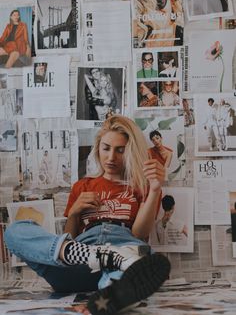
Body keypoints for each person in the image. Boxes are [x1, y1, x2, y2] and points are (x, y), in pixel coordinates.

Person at [4, 115, 170, 315]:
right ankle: (101, 257)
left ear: (130, 152)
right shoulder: (83, 185)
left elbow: (140, 233)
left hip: (123, 247)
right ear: (98, 148)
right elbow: (70, 239)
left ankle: (110, 297)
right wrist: (74, 213)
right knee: (15, 231)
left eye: (120, 150)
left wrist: (154, 190)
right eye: (106, 148)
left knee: (137, 264)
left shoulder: (142, 185)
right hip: (80, 258)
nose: (111, 157)